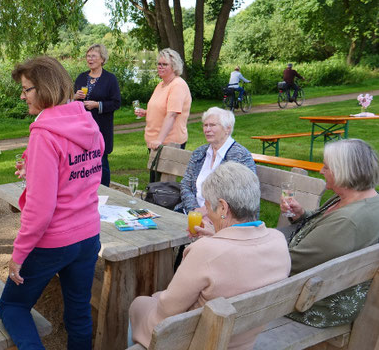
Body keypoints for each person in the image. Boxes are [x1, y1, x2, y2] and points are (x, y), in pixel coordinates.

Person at [0, 56, 103, 349]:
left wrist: (19, 254)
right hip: (88, 234)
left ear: (44, 88)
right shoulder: (87, 121)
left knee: (13, 307)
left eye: (27, 89)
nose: (22, 95)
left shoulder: (44, 134)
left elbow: (40, 209)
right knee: (79, 313)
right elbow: (83, 173)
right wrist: (33, 168)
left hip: (55, 239)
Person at [129, 162, 291, 350]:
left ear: (223, 207)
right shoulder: (278, 241)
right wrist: (218, 237)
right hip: (244, 339)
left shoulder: (206, 251)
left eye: (207, 204)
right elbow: (242, 258)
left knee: (139, 304)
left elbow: (167, 309)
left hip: (199, 341)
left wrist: (156, 298)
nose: (205, 210)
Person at [281, 139, 379, 328]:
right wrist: (302, 215)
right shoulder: (362, 200)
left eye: (326, 167)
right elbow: (326, 232)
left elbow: (289, 264)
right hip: (325, 286)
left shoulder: (347, 222)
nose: (320, 171)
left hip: (314, 302)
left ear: (343, 172)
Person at [177, 107, 256, 215]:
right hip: (193, 213)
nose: (207, 129)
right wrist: (194, 209)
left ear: (227, 129)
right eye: (205, 125)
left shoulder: (240, 156)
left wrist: (210, 213)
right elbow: (185, 185)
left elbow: (242, 198)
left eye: (213, 125)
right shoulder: (199, 153)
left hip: (224, 219)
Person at [134, 48, 191, 183]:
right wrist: (147, 112)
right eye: (159, 64)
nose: (160, 67)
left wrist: (159, 141)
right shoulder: (161, 84)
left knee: (162, 188)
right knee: (154, 184)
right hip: (155, 143)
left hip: (168, 143)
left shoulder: (178, 85)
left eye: (164, 64)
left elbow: (172, 114)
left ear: (174, 66)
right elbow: (162, 108)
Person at [74, 44, 121, 187]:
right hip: (83, 128)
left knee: (102, 161)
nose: (90, 59)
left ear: (102, 59)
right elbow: (70, 103)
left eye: (93, 56)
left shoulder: (110, 79)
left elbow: (116, 102)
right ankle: (85, 190)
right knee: (83, 161)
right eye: (88, 56)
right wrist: (75, 96)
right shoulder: (81, 78)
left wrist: (97, 105)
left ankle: (105, 191)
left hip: (102, 127)